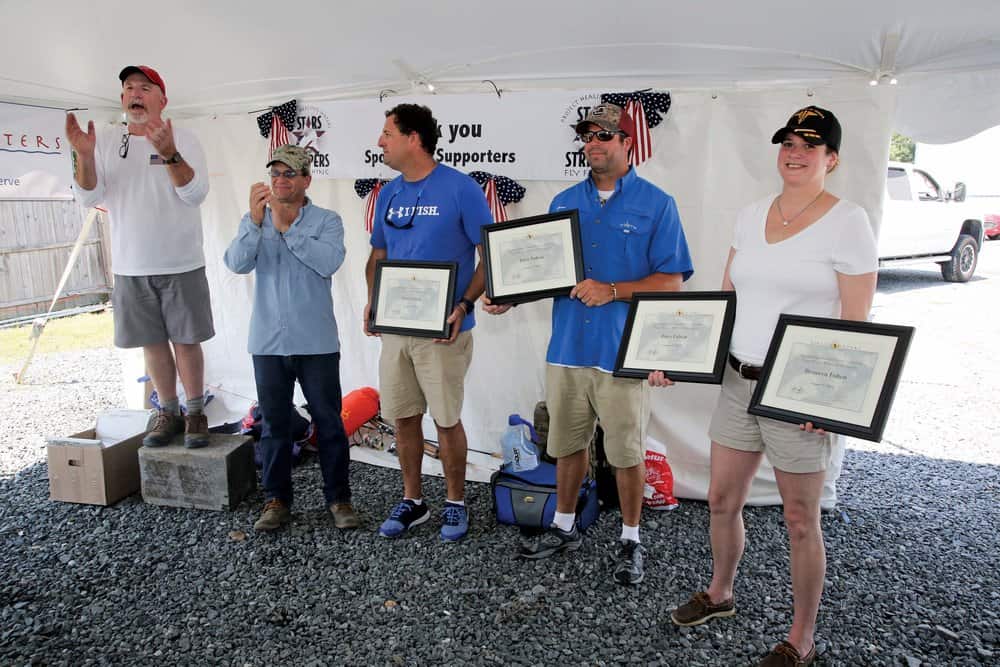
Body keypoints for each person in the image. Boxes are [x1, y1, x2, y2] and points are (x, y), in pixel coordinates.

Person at [657, 106, 877, 666]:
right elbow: (727, 303)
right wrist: (675, 354)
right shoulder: (752, 214)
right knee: (722, 500)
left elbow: (856, 325)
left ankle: (801, 637)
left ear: (832, 158)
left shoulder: (849, 221)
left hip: (796, 393)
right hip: (738, 379)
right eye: (788, 142)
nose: (796, 152)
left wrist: (830, 402)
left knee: (801, 519)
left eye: (811, 144)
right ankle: (720, 593)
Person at [485, 103, 694, 584]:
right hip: (567, 349)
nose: (594, 143)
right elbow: (545, 271)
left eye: (605, 135)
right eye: (588, 136)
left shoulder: (657, 203)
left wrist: (615, 291)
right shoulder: (563, 202)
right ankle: (562, 524)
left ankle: (630, 537)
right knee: (566, 443)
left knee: (625, 450)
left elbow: (673, 280)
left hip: (623, 351)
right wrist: (511, 299)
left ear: (627, 142)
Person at [363, 104, 493, 542]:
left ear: (413, 138)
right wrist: (371, 301)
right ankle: (414, 500)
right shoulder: (388, 193)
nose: (380, 142)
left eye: (387, 133)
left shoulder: (461, 189)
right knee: (402, 416)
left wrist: (464, 305)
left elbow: (488, 256)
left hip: (443, 330)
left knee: (445, 419)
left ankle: (455, 502)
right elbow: (378, 253)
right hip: (396, 329)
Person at [67, 65, 213, 449]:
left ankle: (195, 412)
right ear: (122, 99)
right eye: (128, 88)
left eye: (144, 88)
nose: (135, 93)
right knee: (152, 342)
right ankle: (168, 412)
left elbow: (195, 194)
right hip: (131, 264)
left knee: (186, 340)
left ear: (162, 99)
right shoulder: (106, 140)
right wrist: (84, 155)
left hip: (181, 260)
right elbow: (88, 196)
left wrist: (169, 153)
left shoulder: (185, 137)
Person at [224, 144, 358, 532]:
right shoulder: (253, 220)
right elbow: (235, 263)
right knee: (275, 425)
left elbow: (329, 261)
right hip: (267, 342)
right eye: (275, 174)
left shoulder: (327, 220)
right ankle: (276, 499)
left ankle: (339, 499)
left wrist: (288, 228)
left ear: (306, 180)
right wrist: (254, 221)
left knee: (329, 423)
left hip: (316, 342)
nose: (280, 180)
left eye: (289, 174)